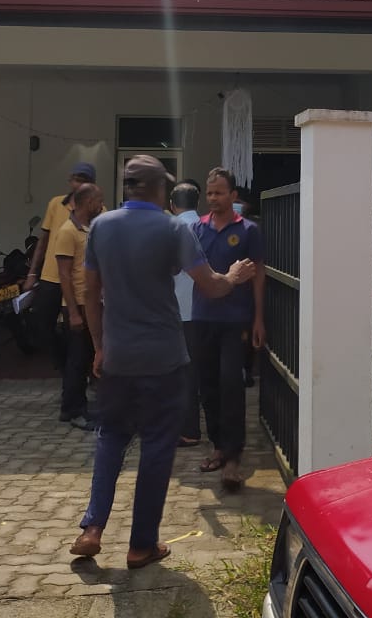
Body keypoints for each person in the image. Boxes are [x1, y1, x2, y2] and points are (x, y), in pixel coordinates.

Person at [71, 155, 254, 566]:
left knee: (111, 438)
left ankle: (92, 527)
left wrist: (99, 347)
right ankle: (141, 545)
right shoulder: (175, 228)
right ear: (158, 190)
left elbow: (90, 293)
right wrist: (234, 276)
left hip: (117, 356)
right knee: (156, 446)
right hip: (164, 359)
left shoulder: (101, 226)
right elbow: (210, 288)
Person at [192, 167, 266, 492]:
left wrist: (258, 318)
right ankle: (218, 446)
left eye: (219, 192)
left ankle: (234, 455)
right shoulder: (197, 229)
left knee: (230, 384)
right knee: (207, 386)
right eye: (209, 193)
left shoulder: (248, 230)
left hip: (236, 320)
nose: (213, 199)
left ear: (233, 196)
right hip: (203, 317)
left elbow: (259, 274)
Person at [25, 162, 96, 385]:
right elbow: (43, 240)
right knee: (41, 327)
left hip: (77, 282)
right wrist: (31, 274)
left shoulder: (98, 209)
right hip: (51, 278)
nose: (77, 183)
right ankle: (67, 369)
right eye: (74, 178)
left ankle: (81, 376)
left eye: (83, 179)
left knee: (80, 333)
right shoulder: (56, 204)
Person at [54, 182, 105, 430]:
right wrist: (73, 312)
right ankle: (73, 409)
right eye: (98, 201)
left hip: (91, 303)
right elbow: (64, 275)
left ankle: (76, 406)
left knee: (85, 358)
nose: (102, 205)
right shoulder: (67, 231)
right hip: (77, 306)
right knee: (77, 359)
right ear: (87, 203)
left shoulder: (89, 228)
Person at [169, 179, 203, 447]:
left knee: (182, 373)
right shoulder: (205, 226)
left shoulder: (173, 229)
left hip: (179, 309)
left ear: (171, 204)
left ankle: (188, 429)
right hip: (205, 307)